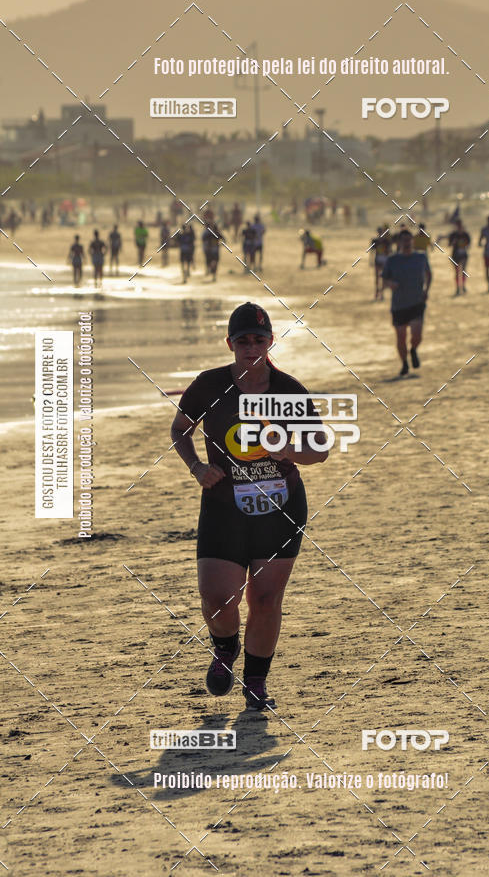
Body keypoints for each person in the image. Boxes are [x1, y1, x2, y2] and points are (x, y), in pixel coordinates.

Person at [170, 302, 329, 710]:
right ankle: (225, 647)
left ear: (271, 341)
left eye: (259, 339)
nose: (251, 346)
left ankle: (256, 683)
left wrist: (289, 448)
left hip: (280, 509)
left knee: (264, 599)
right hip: (223, 506)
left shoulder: (287, 390)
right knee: (216, 598)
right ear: (230, 343)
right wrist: (196, 467)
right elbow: (180, 430)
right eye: (243, 340)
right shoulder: (209, 385)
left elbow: (320, 449)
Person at [382, 229, 432, 378]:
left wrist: (426, 290)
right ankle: (404, 363)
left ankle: (414, 350)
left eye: (409, 240)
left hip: (417, 301)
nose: (407, 243)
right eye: (404, 240)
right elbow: (384, 279)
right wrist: (390, 284)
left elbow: (429, 274)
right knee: (401, 336)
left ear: (412, 241)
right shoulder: (392, 260)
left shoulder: (421, 257)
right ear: (398, 242)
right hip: (398, 305)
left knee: (417, 334)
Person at [448, 219, 471, 295]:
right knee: (457, 272)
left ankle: (463, 286)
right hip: (455, 255)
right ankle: (458, 287)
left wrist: (464, 244)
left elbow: (469, 245)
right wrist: (453, 242)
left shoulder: (465, 234)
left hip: (463, 255)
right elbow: (449, 244)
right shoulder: (453, 234)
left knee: (463, 271)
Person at [370, 226, 392, 301]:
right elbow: (372, 251)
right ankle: (377, 291)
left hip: (384, 260)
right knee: (377, 278)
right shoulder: (375, 241)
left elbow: (390, 251)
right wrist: (371, 260)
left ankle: (381, 293)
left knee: (383, 278)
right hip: (378, 259)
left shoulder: (386, 241)